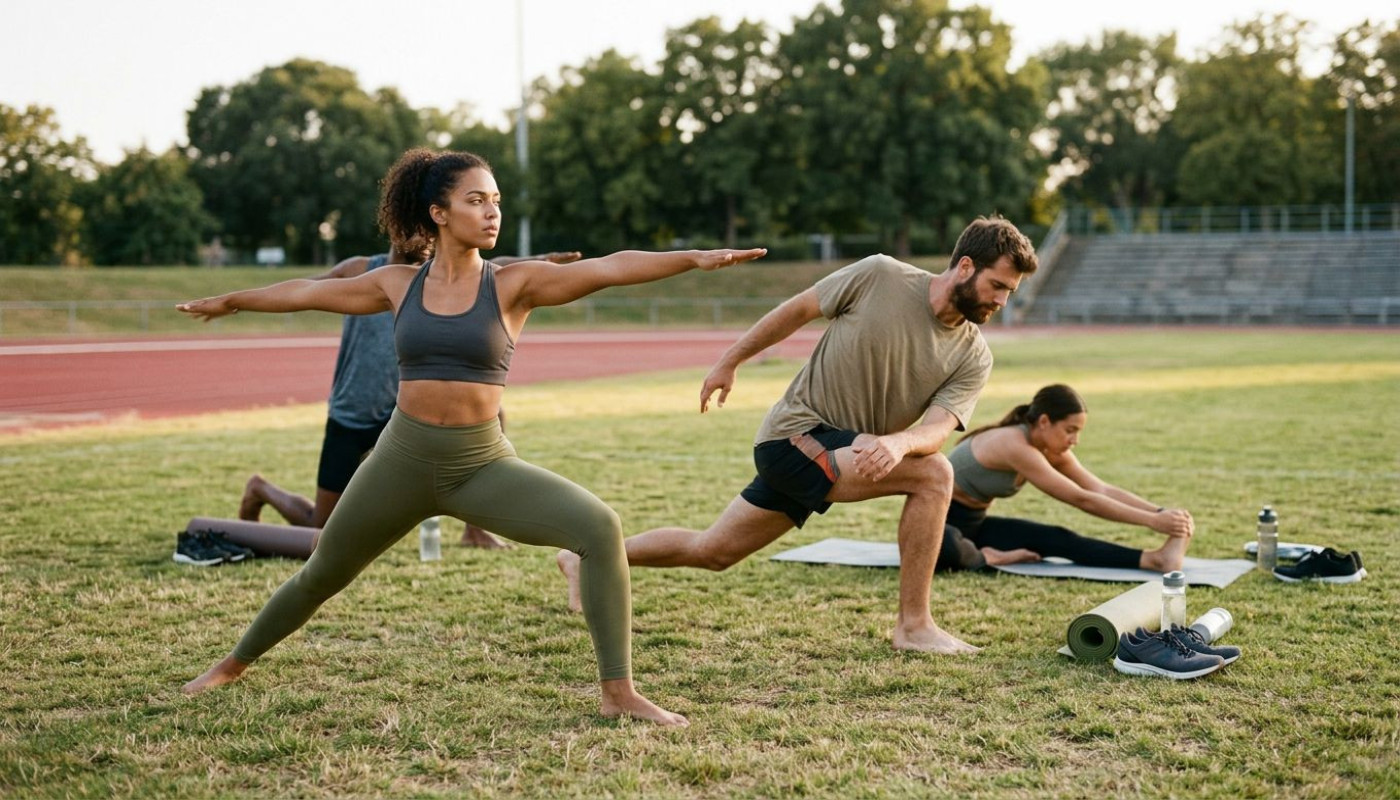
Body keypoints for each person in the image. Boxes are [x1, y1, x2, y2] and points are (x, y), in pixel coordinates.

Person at [176, 147, 767, 725]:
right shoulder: (396, 284)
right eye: (476, 200)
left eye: (497, 201)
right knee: (323, 572)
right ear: (438, 212)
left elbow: (608, 267)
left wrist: (692, 257)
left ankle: (619, 691)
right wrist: (231, 300)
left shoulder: (513, 284)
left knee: (599, 527)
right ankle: (231, 664)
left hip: (481, 465)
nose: (492, 213)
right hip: (400, 460)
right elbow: (304, 294)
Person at [560, 216, 1039, 655]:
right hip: (792, 437)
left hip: (843, 451)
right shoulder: (881, 275)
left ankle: (585, 560)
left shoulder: (973, 356)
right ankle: (913, 626)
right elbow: (799, 310)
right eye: (997, 285)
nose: (1001, 300)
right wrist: (731, 360)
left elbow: (938, 427)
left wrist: (899, 442)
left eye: (1009, 292)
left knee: (713, 551)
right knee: (934, 476)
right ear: (965, 266)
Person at [233, 245, 582, 553]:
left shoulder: (438, 277)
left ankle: (475, 531)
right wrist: (239, 301)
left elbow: (497, 266)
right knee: (321, 532)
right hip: (352, 414)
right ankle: (260, 489)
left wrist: (541, 261)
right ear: (394, 227)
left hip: (402, 414)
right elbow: (307, 289)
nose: (424, 239)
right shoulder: (363, 271)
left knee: (490, 417)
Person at [931, 384, 1194, 574]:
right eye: (1070, 430)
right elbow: (1082, 499)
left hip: (974, 525)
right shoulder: (1015, 445)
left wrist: (1161, 513)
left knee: (1058, 537)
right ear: (1044, 421)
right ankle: (985, 557)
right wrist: (1153, 522)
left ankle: (1155, 560)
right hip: (937, 526)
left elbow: (1099, 488)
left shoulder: (1050, 448)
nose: (1075, 440)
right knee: (946, 548)